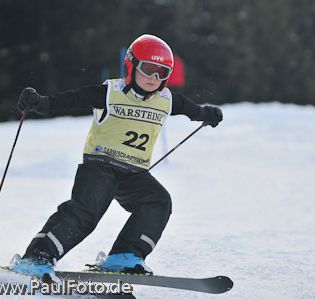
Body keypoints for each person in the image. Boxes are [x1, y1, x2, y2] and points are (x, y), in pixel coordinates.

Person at [11, 34, 223, 277]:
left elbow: (190, 109)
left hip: (134, 173)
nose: (154, 78)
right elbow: (73, 99)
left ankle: (124, 256)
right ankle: (37, 257)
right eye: (148, 69)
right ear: (131, 66)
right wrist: (41, 103)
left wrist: (206, 114)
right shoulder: (110, 92)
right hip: (100, 167)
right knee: (84, 214)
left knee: (157, 201)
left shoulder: (166, 100)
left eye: (162, 73)